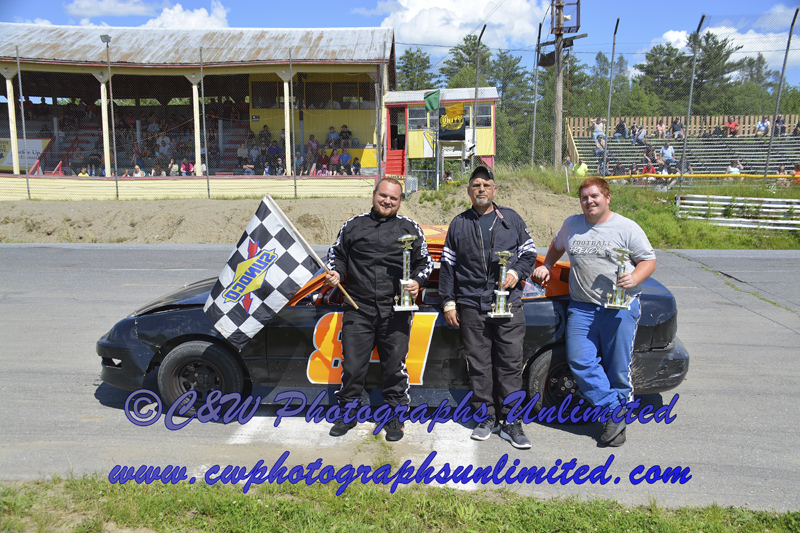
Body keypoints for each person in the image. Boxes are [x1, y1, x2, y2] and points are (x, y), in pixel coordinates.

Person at [533, 177, 656, 447]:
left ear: (607, 197)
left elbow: (648, 260)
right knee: (580, 361)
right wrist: (547, 265)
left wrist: (635, 278)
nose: (589, 201)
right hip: (582, 307)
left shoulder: (626, 227)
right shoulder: (572, 225)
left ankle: (615, 428)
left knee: (617, 368)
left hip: (620, 308)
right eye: (584, 197)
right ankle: (615, 410)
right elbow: (556, 245)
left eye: (594, 196)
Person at [325, 178, 433, 441]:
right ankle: (349, 411)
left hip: (396, 310)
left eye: (393, 198)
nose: (387, 201)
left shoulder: (410, 228)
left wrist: (417, 282)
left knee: (394, 367)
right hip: (358, 308)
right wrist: (336, 273)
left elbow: (426, 263)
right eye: (383, 195)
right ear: (374, 195)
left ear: (400, 201)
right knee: (352, 367)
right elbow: (337, 255)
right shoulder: (353, 225)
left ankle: (396, 416)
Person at [439, 166, 537, 449]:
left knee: (510, 364)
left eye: (486, 184)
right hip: (471, 304)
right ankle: (486, 418)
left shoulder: (511, 219)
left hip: (508, 304)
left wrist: (516, 272)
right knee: (479, 365)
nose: (481, 189)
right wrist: (448, 301)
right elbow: (447, 266)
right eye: (476, 185)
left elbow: (529, 252)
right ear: (469, 191)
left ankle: (512, 421)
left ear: (494, 190)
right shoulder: (458, 223)